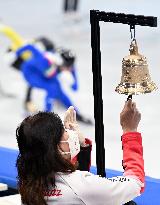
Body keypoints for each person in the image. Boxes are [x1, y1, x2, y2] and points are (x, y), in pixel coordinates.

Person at [16, 100, 145, 205]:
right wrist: (130, 130)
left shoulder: (29, 181)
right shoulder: (82, 186)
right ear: (55, 148)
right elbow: (136, 183)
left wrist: (82, 147)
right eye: (63, 132)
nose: (69, 133)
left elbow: (72, 187)